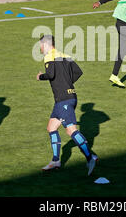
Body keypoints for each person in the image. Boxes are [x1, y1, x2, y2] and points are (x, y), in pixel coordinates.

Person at [37, 35, 98, 175]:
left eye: (40, 45)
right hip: (68, 97)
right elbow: (78, 72)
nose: (40, 49)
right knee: (51, 127)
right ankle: (55, 160)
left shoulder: (49, 56)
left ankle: (90, 157)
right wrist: (66, 83)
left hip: (63, 99)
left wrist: (40, 76)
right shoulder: (65, 55)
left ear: (46, 44)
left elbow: (50, 74)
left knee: (71, 130)